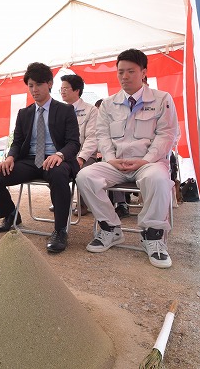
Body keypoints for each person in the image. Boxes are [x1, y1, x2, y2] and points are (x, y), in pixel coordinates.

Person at [76, 49, 178, 268]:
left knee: (158, 180)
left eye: (131, 71)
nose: (124, 76)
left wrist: (146, 160)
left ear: (143, 73)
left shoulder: (162, 99)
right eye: (120, 72)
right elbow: (102, 134)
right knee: (85, 176)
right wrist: (111, 158)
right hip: (116, 162)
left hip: (149, 163)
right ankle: (110, 228)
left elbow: (167, 134)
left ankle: (152, 236)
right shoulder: (108, 103)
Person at [0, 62, 80, 253]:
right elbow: (17, 141)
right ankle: (11, 215)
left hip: (56, 159)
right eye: (30, 85)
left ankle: (60, 230)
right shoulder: (24, 113)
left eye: (38, 84)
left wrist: (59, 154)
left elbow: (73, 143)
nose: (34, 90)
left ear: (49, 84)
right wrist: (11, 157)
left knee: (59, 175)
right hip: (30, 160)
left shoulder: (65, 110)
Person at [59, 74, 98, 216]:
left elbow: (92, 138)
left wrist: (81, 158)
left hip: (85, 156)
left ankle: (82, 204)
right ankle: (62, 201)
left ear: (77, 90)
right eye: (61, 89)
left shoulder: (91, 110)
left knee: (82, 172)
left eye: (65, 88)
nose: (62, 91)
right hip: (64, 154)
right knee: (54, 169)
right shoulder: (59, 110)